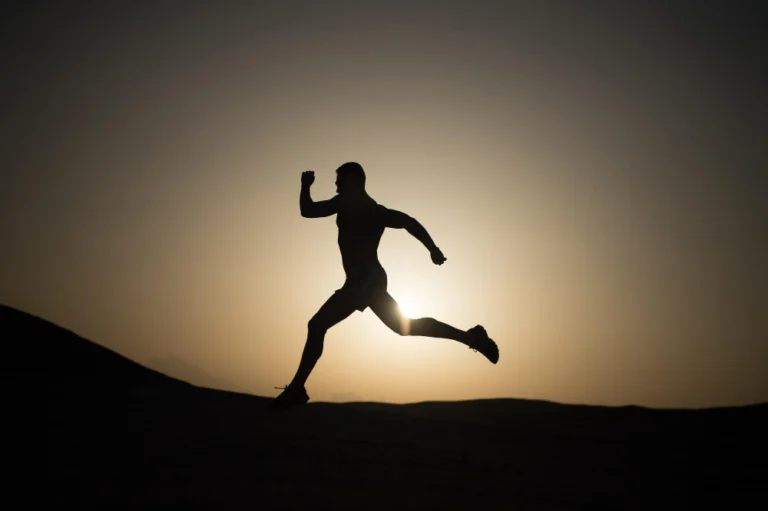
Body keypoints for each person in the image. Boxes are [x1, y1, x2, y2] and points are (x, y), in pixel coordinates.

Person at [270, 162, 498, 410]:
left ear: (353, 183)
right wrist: (432, 248)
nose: (336, 186)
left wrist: (305, 186)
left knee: (318, 324)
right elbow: (408, 221)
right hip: (369, 280)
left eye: (340, 181)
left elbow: (308, 210)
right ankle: (472, 337)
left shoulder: (348, 203)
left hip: (365, 282)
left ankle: (296, 389)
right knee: (405, 327)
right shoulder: (375, 211)